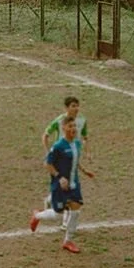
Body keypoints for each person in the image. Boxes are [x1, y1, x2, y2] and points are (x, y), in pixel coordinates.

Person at [29, 116, 93, 253]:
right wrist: (59, 177)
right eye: (70, 126)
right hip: (59, 185)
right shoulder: (58, 146)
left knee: (76, 210)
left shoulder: (77, 143)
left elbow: (75, 160)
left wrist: (84, 170)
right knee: (58, 215)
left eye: (74, 126)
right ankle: (37, 216)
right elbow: (47, 164)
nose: (73, 129)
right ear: (63, 128)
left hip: (74, 184)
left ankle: (68, 241)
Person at [42, 97, 89, 232]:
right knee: (64, 187)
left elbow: (85, 137)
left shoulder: (82, 120)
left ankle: (64, 222)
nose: (76, 108)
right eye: (73, 106)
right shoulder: (58, 121)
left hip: (72, 155)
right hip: (60, 158)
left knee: (70, 190)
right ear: (67, 108)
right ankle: (53, 204)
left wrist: (86, 152)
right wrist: (48, 152)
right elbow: (45, 135)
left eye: (77, 105)